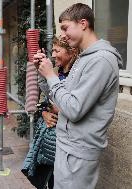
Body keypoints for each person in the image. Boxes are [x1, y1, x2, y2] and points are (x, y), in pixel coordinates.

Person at [33, 3, 122, 189]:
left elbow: (73, 109)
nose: (63, 35)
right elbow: (61, 98)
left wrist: (51, 75)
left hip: (79, 152)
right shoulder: (84, 58)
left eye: (65, 28)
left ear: (83, 23)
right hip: (67, 147)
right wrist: (44, 74)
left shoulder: (101, 60)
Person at [22, 36, 79, 189]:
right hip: (50, 140)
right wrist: (44, 113)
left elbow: (75, 108)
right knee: (49, 178)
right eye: (52, 50)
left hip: (68, 142)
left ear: (72, 52)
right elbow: (44, 100)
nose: (53, 55)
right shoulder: (53, 71)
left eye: (57, 50)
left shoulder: (77, 76)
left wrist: (58, 111)